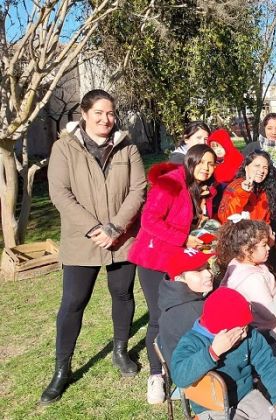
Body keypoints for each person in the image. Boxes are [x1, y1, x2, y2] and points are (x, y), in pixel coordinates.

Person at [41, 89, 147, 405]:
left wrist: (115, 227)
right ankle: (62, 369)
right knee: (73, 302)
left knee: (123, 294)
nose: (106, 119)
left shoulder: (127, 147)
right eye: (99, 112)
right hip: (81, 239)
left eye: (111, 113)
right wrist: (93, 228)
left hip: (122, 237)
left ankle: (120, 351)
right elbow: (60, 193)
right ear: (84, 114)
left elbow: (138, 189)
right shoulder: (64, 148)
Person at [128, 144, 218, 404]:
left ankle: (185, 365)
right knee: (159, 315)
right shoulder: (170, 183)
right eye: (201, 162)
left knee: (187, 311)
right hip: (155, 258)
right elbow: (149, 221)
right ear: (189, 161)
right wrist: (184, 239)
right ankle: (157, 375)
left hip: (180, 260)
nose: (206, 167)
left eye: (211, 163)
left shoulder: (204, 189)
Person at [170, 288, 276, 420]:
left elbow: (267, 364)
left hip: (246, 396)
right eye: (240, 329)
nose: (245, 333)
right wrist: (212, 352)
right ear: (220, 332)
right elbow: (179, 376)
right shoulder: (193, 341)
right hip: (212, 408)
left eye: (246, 327)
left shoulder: (249, 334)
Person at [218, 219, 276, 377]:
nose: (268, 248)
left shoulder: (240, 263)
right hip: (260, 334)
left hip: (262, 328)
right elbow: (270, 312)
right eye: (264, 245)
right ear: (247, 250)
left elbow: (267, 295)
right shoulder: (251, 278)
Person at [157, 248, 215, 366]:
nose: (208, 274)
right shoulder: (194, 312)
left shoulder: (172, 300)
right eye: (198, 270)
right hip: (203, 378)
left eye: (207, 267)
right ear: (179, 279)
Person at [217, 150, 276, 224]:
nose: (261, 170)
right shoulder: (236, 186)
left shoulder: (266, 190)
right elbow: (225, 217)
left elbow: (266, 221)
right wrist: (243, 192)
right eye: (257, 166)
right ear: (246, 167)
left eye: (265, 168)